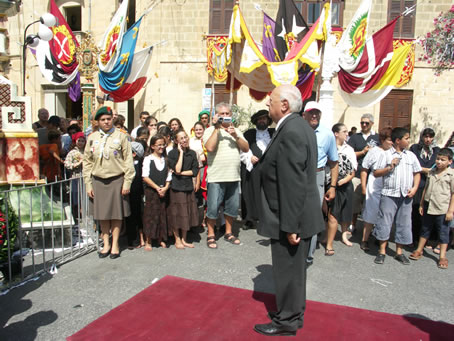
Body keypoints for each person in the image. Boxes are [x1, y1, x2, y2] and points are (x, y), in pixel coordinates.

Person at [254, 84, 324, 336]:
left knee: (288, 271)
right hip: (292, 215)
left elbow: (293, 182)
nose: (267, 104)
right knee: (293, 272)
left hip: (290, 217)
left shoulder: (292, 130)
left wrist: (291, 225)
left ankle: (287, 321)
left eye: (270, 100)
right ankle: (292, 313)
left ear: (284, 104)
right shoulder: (297, 126)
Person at [83, 106, 135, 259]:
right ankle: (105, 243)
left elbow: (128, 161)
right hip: (98, 180)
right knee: (102, 215)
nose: (106, 122)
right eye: (103, 120)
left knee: (116, 214)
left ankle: (115, 244)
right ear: (97, 122)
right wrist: (88, 183)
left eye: (108, 119)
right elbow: (87, 162)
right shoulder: (92, 138)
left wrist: (127, 183)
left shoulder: (121, 136)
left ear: (113, 119)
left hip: (116, 179)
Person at [203, 102, 249, 249]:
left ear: (231, 115)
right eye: (221, 114)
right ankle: (211, 234)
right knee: (213, 208)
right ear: (216, 115)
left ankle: (229, 232)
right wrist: (217, 128)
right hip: (216, 177)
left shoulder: (236, 130)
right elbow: (209, 147)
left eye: (227, 114)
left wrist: (235, 135)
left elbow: (246, 148)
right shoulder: (210, 130)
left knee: (232, 207)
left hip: (233, 177)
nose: (224, 116)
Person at [372, 127, 421, 265]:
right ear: (398, 140)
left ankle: (399, 252)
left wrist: (415, 188)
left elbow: (417, 173)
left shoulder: (410, 156)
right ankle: (382, 251)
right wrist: (389, 167)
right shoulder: (385, 154)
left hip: (406, 195)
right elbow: (376, 173)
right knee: (384, 222)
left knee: (404, 223)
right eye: (406, 138)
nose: (409, 140)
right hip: (389, 194)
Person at [302, 101, 339, 264]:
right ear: (304, 115)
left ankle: (308, 255)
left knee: (313, 215)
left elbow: (334, 162)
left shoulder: (327, 134)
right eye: (311, 112)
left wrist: (332, 187)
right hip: (297, 176)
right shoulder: (297, 131)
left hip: (317, 177)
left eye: (317, 112)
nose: (314, 115)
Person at [409, 148, 454, 269]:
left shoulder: (451, 174)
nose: (439, 162)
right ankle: (419, 250)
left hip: (443, 208)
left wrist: (450, 210)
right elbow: (425, 189)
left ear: (450, 161)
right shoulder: (432, 172)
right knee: (425, 228)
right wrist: (422, 204)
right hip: (429, 205)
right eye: (438, 159)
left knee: (443, 232)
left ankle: (442, 256)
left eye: (443, 160)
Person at [324, 123, 357, 256]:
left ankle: (342, 235)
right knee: (330, 213)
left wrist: (345, 180)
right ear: (336, 133)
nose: (347, 134)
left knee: (345, 210)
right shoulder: (328, 147)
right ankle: (327, 238)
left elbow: (353, 170)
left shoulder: (349, 149)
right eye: (344, 131)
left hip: (345, 184)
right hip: (330, 184)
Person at [359, 127, 393, 251]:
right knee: (371, 211)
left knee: (385, 213)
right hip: (374, 184)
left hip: (388, 185)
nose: (391, 142)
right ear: (383, 139)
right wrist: (363, 186)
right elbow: (364, 169)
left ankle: (380, 238)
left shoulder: (393, 152)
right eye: (389, 140)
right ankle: (365, 239)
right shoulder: (374, 151)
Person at [241, 109, 275, 230]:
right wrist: (249, 157)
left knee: (268, 193)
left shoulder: (274, 133)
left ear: (268, 120)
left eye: (264, 119)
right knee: (251, 192)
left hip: (270, 168)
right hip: (253, 168)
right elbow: (242, 148)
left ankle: (268, 218)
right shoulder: (249, 134)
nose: (262, 121)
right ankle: (250, 218)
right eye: (259, 119)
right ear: (256, 121)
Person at [167, 130, 199, 249]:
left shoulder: (192, 153)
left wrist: (179, 173)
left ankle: (184, 239)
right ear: (176, 141)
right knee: (177, 214)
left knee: (186, 213)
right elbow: (177, 168)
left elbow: (195, 171)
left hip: (188, 187)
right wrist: (180, 153)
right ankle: (177, 239)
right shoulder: (172, 153)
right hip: (176, 187)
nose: (184, 140)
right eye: (181, 138)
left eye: (185, 137)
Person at [347, 113, 380, 231]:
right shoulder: (355, 137)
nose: (364, 125)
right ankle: (353, 224)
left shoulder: (377, 138)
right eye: (362, 123)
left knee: (371, 202)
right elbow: (349, 154)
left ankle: (370, 227)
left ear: (372, 123)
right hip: (357, 173)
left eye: (366, 123)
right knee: (355, 201)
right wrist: (362, 152)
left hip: (372, 175)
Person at [409, 128, 440, 244]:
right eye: (425, 137)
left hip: (431, 184)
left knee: (428, 212)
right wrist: (425, 170)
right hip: (417, 183)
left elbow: (439, 164)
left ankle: (427, 238)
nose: (428, 139)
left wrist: (426, 170)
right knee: (415, 211)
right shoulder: (415, 148)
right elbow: (412, 163)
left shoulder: (437, 150)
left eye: (430, 137)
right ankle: (413, 238)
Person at [142, 134, 172, 251]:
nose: (161, 147)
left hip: (163, 191)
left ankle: (160, 238)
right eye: (158, 145)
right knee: (150, 215)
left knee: (162, 214)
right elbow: (145, 176)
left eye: (163, 144)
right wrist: (157, 188)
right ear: (153, 146)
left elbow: (169, 175)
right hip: (151, 192)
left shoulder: (166, 159)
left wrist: (165, 188)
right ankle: (148, 240)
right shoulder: (148, 159)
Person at [125, 142, 145, 250]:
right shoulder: (124, 163)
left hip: (138, 193)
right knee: (130, 217)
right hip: (128, 192)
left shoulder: (140, 163)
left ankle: (142, 237)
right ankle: (133, 239)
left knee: (138, 215)